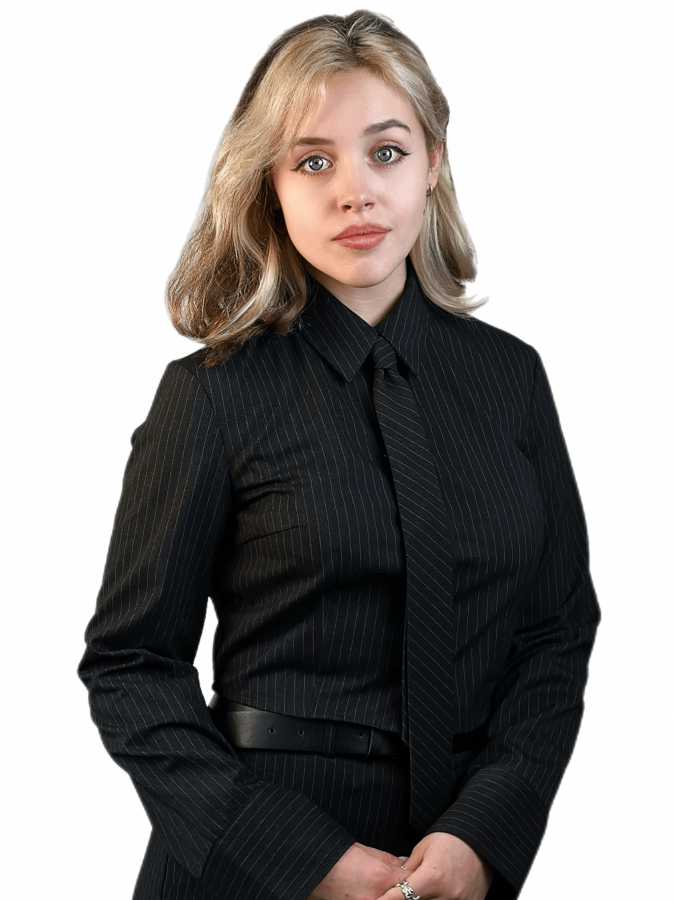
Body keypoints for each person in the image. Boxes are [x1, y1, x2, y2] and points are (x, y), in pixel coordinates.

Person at [76, 9, 603, 900]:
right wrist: (298, 855)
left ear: (432, 163)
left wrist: (483, 833)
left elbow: (556, 632)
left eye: (385, 152)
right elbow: (131, 666)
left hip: (452, 862)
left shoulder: (510, 378)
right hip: (254, 863)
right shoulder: (212, 394)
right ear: (269, 186)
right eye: (312, 162)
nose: (354, 192)